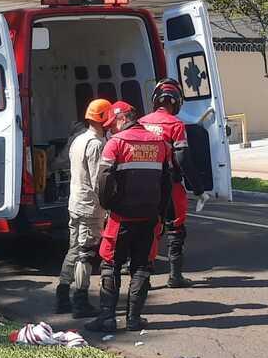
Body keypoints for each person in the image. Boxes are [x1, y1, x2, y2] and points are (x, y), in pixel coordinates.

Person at [85, 101, 171, 333]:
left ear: (123, 118)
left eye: (113, 124)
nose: (111, 129)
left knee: (110, 264)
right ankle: (134, 319)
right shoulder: (159, 143)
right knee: (142, 266)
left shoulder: (116, 143)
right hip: (149, 216)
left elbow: (104, 179)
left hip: (121, 217)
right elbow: (166, 183)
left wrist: (107, 204)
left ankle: (107, 318)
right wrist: (161, 214)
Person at [139, 78, 206, 288]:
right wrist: (198, 187)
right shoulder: (175, 124)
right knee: (176, 229)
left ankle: (144, 276)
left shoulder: (141, 122)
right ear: (176, 101)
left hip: (144, 186)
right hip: (170, 184)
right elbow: (182, 158)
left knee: (148, 228)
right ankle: (175, 276)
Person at [55, 98, 112, 318]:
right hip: (90, 207)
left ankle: (62, 295)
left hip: (75, 202)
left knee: (74, 249)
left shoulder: (78, 140)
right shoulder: (97, 144)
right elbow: (99, 180)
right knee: (86, 254)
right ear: (103, 118)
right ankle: (80, 300)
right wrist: (107, 206)